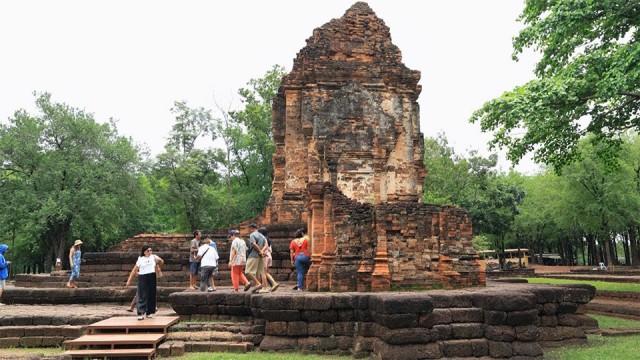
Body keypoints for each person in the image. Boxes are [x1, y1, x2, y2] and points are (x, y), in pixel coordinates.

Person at [126, 245, 164, 320]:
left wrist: (158, 266)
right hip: (143, 277)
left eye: (150, 250)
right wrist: (129, 281)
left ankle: (149, 312)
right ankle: (140, 312)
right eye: (148, 251)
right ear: (144, 252)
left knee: (151, 294)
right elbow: (134, 270)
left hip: (152, 276)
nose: (150, 252)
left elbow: (162, 261)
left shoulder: (154, 257)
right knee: (142, 295)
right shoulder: (140, 259)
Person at [245, 223, 268, 293]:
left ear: (252, 228)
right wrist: (262, 251)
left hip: (253, 255)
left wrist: (260, 251)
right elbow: (266, 245)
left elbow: (254, 244)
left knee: (248, 272)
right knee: (260, 272)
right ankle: (265, 288)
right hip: (260, 256)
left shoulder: (252, 234)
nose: (248, 230)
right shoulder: (262, 235)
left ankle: (258, 284)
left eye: (249, 228)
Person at [258, 227, 279, 292]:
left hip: (264, 255)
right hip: (269, 255)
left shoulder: (262, 239)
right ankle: (273, 283)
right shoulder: (268, 239)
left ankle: (266, 287)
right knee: (265, 272)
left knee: (263, 272)